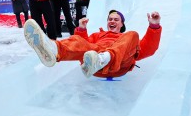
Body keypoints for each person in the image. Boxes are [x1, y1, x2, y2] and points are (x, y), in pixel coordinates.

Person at [24, 9, 162, 78]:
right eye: (110, 19)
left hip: (119, 65)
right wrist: (82, 30)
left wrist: (154, 27)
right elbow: (81, 45)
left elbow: (148, 49)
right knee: (78, 40)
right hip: (94, 67)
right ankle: (54, 50)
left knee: (133, 34)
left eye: (116, 19)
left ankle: (105, 58)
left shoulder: (126, 38)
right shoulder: (98, 35)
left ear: (122, 23)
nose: (112, 21)